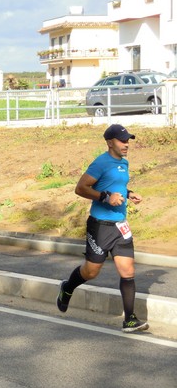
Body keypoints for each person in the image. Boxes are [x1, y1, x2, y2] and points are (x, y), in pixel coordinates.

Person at [56, 124, 148, 333]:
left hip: (120, 225)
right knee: (91, 271)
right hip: (100, 226)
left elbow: (117, 184)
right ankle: (67, 288)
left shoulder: (123, 163)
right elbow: (80, 188)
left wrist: (129, 192)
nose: (126, 144)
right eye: (122, 141)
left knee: (128, 271)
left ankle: (130, 320)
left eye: (128, 141)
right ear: (109, 142)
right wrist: (106, 197)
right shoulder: (100, 162)